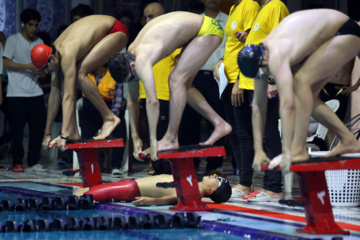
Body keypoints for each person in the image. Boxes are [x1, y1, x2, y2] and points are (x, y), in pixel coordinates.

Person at [237, 9, 360, 173]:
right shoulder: (260, 60)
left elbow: (287, 105)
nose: (264, 77)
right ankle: (348, 140)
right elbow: (258, 106)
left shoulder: (275, 54)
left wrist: (287, 152)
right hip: (332, 34)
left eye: (265, 72)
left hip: (345, 31)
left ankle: (298, 149)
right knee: (309, 95)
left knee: (300, 83)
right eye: (260, 75)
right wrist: (258, 150)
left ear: (264, 59)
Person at [108, 11, 232, 161]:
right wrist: (136, 138)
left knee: (175, 80)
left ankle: (171, 138)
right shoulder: (131, 53)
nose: (137, 79)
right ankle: (220, 124)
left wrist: (153, 140)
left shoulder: (141, 58)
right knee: (183, 85)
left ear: (132, 64)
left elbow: (152, 101)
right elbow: (133, 101)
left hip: (208, 30)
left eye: (134, 77)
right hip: (201, 30)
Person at [30, 15, 129, 151]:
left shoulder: (67, 53)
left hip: (116, 31)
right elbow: (54, 96)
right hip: (104, 30)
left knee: (79, 73)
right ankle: (73, 131)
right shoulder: (54, 52)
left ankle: (109, 117)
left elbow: (69, 97)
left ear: (51, 58)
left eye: (46, 68)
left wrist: (63, 135)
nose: (47, 72)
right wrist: (47, 133)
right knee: (69, 78)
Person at [235, 0, 289, 202]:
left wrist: (273, 80)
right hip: (255, 83)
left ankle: (274, 187)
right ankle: (267, 185)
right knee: (261, 136)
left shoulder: (276, 6)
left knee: (269, 135)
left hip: (268, 83)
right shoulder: (262, 9)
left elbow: (280, 44)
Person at [213, 0, 260, 196]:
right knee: (233, 133)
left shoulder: (250, 5)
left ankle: (246, 181)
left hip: (239, 80)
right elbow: (232, 46)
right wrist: (221, 61)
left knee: (243, 131)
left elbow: (250, 44)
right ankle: (244, 182)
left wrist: (240, 81)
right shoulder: (233, 8)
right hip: (227, 78)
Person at [179, 0, 228, 174]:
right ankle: (189, 164)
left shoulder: (229, 21)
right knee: (188, 123)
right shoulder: (194, 21)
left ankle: (214, 167)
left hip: (217, 78)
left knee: (216, 122)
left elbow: (231, 50)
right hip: (194, 76)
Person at [137, 2, 181, 175]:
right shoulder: (142, 40)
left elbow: (180, 68)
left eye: (152, 16)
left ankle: (169, 177)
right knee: (151, 137)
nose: (148, 20)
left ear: (163, 16)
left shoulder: (171, 39)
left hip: (164, 97)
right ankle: (157, 174)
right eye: (146, 17)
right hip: (145, 97)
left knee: (164, 138)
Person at [3, 8, 47, 172]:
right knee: (17, 130)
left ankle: (33, 161)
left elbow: (43, 68)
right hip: (16, 93)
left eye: (36, 25)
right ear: (23, 24)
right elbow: (6, 63)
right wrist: (26, 67)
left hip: (35, 91)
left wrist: (42, 73)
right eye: (30, 25)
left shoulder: (40, 42)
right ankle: (17, 161)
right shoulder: (13, 40)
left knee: (37, 129)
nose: (33, 29)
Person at [79, 64, 127, 177]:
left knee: (120, 129)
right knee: (86, 132)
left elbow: (118, 101)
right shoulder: (85, 73)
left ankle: (116, 166)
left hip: (110, 110)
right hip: (90, 110)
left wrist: (110, 120)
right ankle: (89, 165)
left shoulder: (115, 73)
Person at [74, 172, 232, 205]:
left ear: (212, 191)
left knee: (83, 195)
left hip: (131, 189)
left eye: (218, 179)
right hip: (130, 185)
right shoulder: (193, 185)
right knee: (85, 192)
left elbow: (173, 198)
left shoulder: (196, 192)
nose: (213, 175)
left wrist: (152, 201)